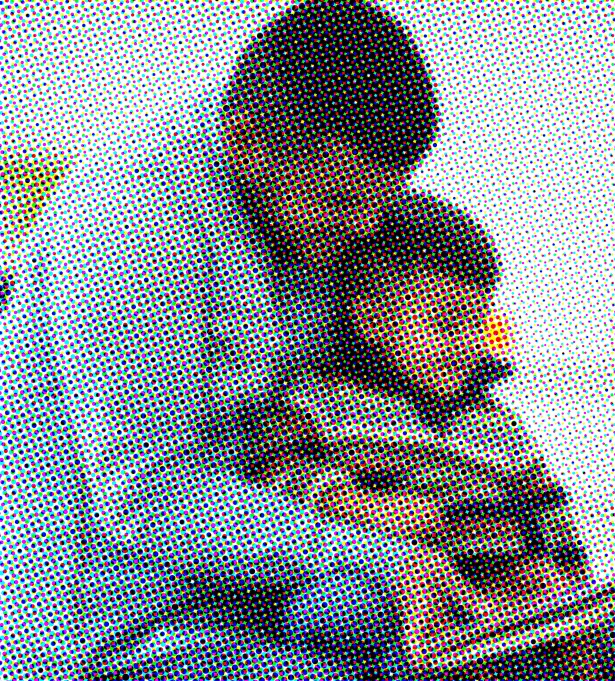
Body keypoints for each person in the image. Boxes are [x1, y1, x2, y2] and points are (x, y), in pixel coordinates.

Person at [1, 1, 460, 678]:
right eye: (340, 201)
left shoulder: (317, 205)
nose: (367, 228)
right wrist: (378, 553)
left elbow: (331, 417)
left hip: (263, 600)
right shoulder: (133, 220)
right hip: (113, 634)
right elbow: (148, 496)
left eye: (382, 203)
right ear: (245, 141)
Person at [258, 193, 615, 679]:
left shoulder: (494, 422)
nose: (466, 341)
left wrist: (572, 603)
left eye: (477, 321)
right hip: (397, 593)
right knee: (349, 606)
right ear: (370, 317)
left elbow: (550, 521)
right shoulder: (320, 401)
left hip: (514, 603)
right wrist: (373, 509)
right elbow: (288, 484)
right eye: (445, 321)